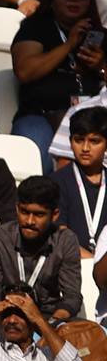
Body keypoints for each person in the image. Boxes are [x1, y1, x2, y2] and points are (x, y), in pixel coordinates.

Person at [11, 0, 104, 166]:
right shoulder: (35, 27)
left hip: (93, 119)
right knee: (34, 145)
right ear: (52, 0)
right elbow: (25, 71)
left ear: (90, 1)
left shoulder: (99, 34)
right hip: (41, 114)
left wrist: (101, 67)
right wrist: (68, 45)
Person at [0, 175, 84, 320]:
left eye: (39, 214)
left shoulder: (66, 240)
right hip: (2, 315)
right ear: (17, 209)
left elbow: (72, 297)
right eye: (24, 212)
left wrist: (51, 325)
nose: (29, 221)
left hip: (48, 317)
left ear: (54, 215)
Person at [57, 104, 107, 253]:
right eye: (79, 140)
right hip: (70, 264)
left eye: (94, 141)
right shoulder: (57, 182)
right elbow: (60, 234)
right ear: (70, 141)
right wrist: (91, 262)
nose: (85, 148)